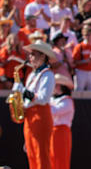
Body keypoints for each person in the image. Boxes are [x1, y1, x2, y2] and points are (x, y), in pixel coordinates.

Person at [12, 41, 56, 169]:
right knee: (31, 155)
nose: (29, 57)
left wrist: (23, 91)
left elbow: (42, 98)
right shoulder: (32, 74)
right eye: (30, 54)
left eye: (33, 54)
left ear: (42, 56)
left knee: (41, 156)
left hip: (40, 116)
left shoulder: (48, 74)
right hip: (30, 117)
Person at [50, 73, 74, 169]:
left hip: (61, 133)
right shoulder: (53, 100)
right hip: (52, 132)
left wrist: (43, 101)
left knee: (60, 159)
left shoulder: (67, 101)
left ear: (59, 86)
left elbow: (54, 111)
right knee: (51, 158)